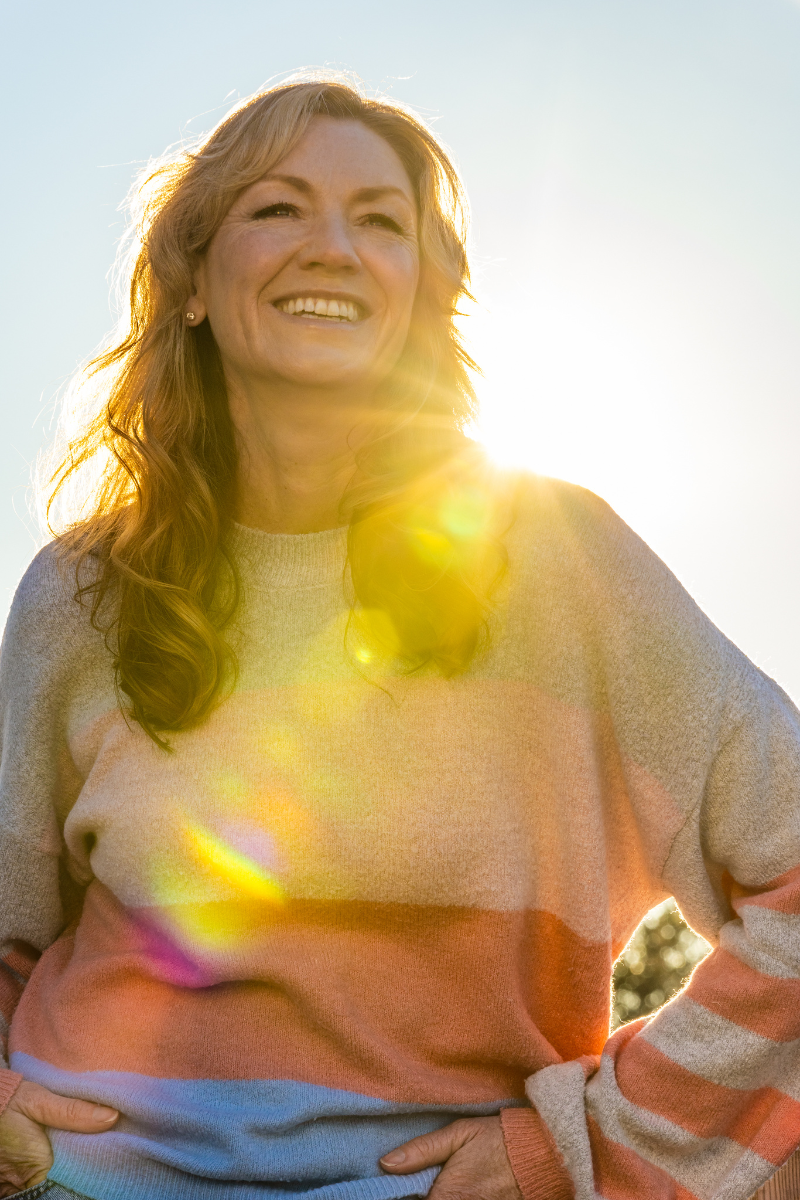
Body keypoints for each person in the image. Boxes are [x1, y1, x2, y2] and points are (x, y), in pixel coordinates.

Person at [0, 75, 798, 1200]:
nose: (331, 246)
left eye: (379, 221)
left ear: (422, 295)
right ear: (189, 284)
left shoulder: (558, 557)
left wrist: (594, 1145)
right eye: (277, 208)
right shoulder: (80, 588)